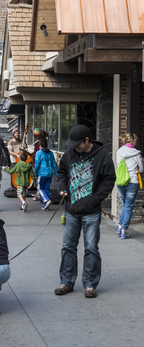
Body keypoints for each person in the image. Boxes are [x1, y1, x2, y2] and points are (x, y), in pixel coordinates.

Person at [55, 125, 115, 298]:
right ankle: (66, 282)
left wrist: (95, 199)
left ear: (87, 140)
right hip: (71, 210)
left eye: (78, 144)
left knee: (91, 248)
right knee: (68, 247)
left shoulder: (102, 156)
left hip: (91, 212)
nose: (75, 147)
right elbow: (61, 174)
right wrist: (62, 188)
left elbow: (109, 179)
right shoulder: (69, 154)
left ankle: (90, 284)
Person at [116, 132, 143, 239]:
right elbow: (141, 168)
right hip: (132, 182)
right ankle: (124, 231)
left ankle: (120, 227)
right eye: (135, 140)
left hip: (121, 182)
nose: (136, 142)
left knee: (125, 204)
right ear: (132, 141)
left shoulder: (119, 151)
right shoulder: (136, 153)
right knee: (128, 206)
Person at [35, 139, 58, 210]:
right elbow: (54, 164)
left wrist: (36, 173)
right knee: (46, 188)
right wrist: (57, 174)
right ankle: (46, 205)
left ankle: (46, 200)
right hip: (50, 174)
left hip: (41, 174)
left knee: (40, 187)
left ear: (40, 146)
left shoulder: (39, 153)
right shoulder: (51, 153)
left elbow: (37, 165)